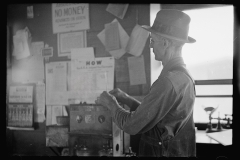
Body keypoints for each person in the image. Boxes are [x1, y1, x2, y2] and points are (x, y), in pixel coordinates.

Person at [96, 9, 196, 157]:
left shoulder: (167, 82)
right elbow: (154, 118)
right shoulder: (184, 76)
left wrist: (111, 103)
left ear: (165, 42)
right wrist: (127, 99)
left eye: (152, 40)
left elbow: (132, 125)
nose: (150, 46)